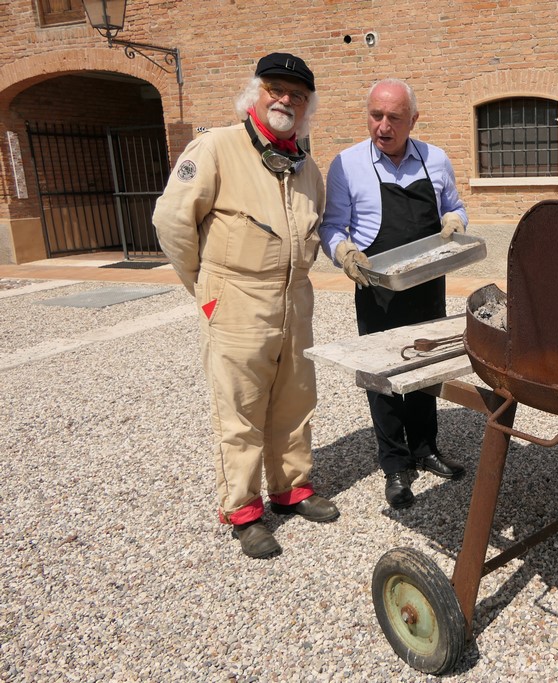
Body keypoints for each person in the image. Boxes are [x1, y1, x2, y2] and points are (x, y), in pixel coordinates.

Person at [153, 53, 339, 559]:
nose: (285, 100)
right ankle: (242, 509)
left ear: (307, 107)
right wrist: (205, 286)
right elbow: (172, 223)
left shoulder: (307, 167)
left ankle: (291, 488)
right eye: (275, 89)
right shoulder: (216, 148)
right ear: (254, 93)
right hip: (236, 299)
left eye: (297, 95)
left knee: (295, 399)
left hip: (294, 301)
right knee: (239, 410)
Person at [319, 78, 468, 509]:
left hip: (426, 283)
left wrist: (456, 222)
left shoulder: (435, 160)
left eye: (394, 118)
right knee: (382, 378)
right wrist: (343, 251)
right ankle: (395, 465)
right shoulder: (346, 165)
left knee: (426, 367)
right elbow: (332, 227)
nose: (382, 126)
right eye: (375, 115)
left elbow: (454, 207)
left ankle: (426, 449)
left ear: (413, 120)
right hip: (377, 287)